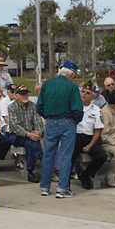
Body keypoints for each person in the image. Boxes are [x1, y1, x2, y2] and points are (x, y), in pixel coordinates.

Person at [36, 61, 83, 198]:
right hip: (68, 121)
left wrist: (48, 116)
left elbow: (39, 106)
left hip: (51, 121)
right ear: (71, 74)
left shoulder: (47, 84)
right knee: (65, 156)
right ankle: (62, 188)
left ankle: (44, 187)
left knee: (48, 155)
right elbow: (77, 109)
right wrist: (75, 120)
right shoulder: (72, 87)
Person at [70, 82, 108, 190]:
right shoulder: (72, 107)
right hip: (74, 137)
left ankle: (86, 175)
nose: (84, 94)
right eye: (83, 91)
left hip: (89, 138)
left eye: (88, 93)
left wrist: (90, 145)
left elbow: (97, 130)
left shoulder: (96, 110)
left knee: (102, 156)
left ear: (92, 96)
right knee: (69, 156)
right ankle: (65, 181)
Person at [7, 85, 45, 183]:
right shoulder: (12, 107)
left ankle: (30, 171)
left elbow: (38, 122)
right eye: (22, 94)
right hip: (16, 135)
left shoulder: (32, 105)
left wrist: (38, 132)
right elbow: (15, 126)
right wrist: (28, 134)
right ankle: (42, 161)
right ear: (16, 95)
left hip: (31, 136)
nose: (25, 96)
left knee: (29, 143)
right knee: (31, 141)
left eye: (26, 93)